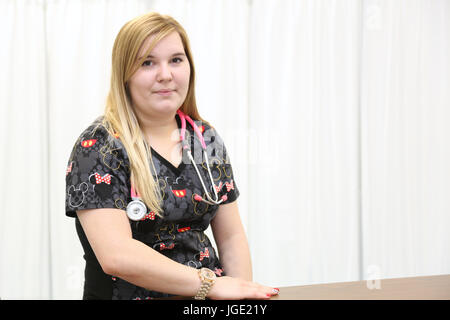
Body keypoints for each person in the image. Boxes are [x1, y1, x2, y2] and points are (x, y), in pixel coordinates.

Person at [65, 11, 279, 300]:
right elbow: (117, 255)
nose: (165, 74)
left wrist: (240, 296)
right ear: (124, 74)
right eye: (147, 62)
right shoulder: (99, 146)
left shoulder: (205, 139)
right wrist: (212, 285)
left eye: (176, 60)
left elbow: (230, 237)